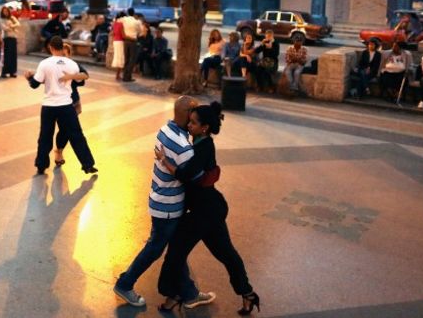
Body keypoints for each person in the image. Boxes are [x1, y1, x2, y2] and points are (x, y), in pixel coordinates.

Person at [155, 102, 261, 314]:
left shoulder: (205, 146)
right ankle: (247, 293)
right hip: (208, 209)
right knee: (225, 254)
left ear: (204, 127)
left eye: (193, 123)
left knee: (176, 251)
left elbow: (186, 174)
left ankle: (172, 295)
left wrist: (165, 161)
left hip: (204, 212)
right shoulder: (197, 141)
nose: (189, 125)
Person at [113, 96, 198, 308]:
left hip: (158, 198)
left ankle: (189, 293)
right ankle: (125, 284)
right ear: (189, 116)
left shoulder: (164, 130)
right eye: (195, 114)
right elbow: (191, 178)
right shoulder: (184, 148)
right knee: (155, 248)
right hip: (169, 207)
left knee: (176, 250)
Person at [25, 36, 97, 175]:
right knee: (77, 135)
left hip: (49, 106)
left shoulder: (44, 64)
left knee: (45, 136)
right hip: (66, 105)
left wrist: (29, 77)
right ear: (62, 47)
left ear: (50, 47)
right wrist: (70, 77)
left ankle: (41, 165)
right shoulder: (71, 64)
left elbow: (34, 84)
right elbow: (85, 75)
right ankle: (88, 165)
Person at [54, 43, 88, 165]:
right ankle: (59, 152)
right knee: (64, 129)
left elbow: (85, 75)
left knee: (66, 129)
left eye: (65, 55)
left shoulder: (74, 66)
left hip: (73, 103)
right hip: (58, 103)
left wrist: (72, 76)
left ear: (69, 55)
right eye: (60, 55)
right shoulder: (52, 66)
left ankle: (59, 151)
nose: (62, 57)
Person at [0, 6, 20, 78]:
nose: (5, 12)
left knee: (13, 56)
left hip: (13, 38)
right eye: (4, 11)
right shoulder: (2, 19)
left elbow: (18, 24)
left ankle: (13, 72)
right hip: (7, 38)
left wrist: (11, 26)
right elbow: (5, 28)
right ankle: (4, 72)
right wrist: (12, 27)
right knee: (7, 56)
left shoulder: (12, 17)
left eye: (6, 11)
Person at [122, 8, 141, 82]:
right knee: (132, 59)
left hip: (125, 40)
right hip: (133, 41)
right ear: (134, 13)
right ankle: (128, 76)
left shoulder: (124, 20)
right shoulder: (136, 22)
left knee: (126, 59)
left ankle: (124, 76)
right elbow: (139, 32)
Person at [111, 13, 126, 81]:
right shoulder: (121, 24)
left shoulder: (115, 24)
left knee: (117, 57)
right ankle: (118, 75)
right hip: (120, 41)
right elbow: (123, 35)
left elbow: (113, 33)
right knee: (120, 58)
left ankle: (117, 75)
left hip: (115, 41)